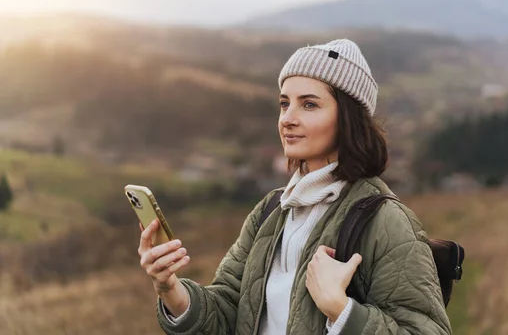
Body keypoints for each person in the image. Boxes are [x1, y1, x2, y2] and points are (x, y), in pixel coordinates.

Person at [138, 39, 453, 334]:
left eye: (309, 105)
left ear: (347, 118)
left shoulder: (384, 220)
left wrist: (341, 310)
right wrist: (170, 289)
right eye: (284, 103)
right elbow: (228, 308)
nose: (288, 118)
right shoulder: (271, 211)